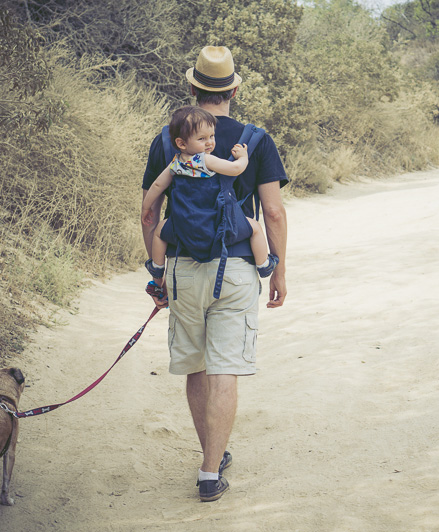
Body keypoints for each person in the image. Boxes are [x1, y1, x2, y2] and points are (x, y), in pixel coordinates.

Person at [141, 45, 288, 502]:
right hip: (239, 266)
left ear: (192, 87)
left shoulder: (170, 140)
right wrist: (278, 271)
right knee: (226, 365)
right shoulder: (256, 139)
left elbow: (149, 214)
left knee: (196, 365)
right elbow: (274, 211)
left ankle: (212, 452)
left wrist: (158, 273)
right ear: (235, 90)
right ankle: (210, 472)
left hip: (183, 268)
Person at [140, 105, 278, 285]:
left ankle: (157, 267)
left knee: (159, 233)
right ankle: (264, 264)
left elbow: (157, 185)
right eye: (202, 138)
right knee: (255, 228)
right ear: (181, 143)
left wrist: (146, 207)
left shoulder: (175, 164)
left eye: (212, 136)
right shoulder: (205, 159)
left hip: (184, 222)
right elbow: (235, 169)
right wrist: (243, 157)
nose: (210, 143)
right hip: (214, 219)